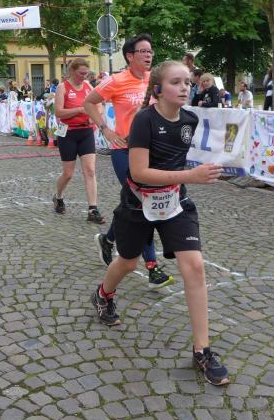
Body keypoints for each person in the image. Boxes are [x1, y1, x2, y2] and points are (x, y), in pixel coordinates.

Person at [88, 60, 229, 386]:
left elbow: (175, 162)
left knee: (194, 266)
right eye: (176, 82)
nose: (184, 87)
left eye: (187, 82)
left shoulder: (190, 120)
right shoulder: (144, 121)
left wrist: (187, 179)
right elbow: (139, 172)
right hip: (138, 203)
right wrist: (189, 176)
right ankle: (103, 294)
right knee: (127, 261)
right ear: (158, 89)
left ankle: (202, 350)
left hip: (175, 202)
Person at [84, 33, 174, 287]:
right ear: (130, 56)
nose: (149, 55)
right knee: (143, 202)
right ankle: (152, 267)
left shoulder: (155, 80)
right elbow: (89, 102)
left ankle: (108, 239)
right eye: (143, 51)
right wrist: (106, 129)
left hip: (151, 151)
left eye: (150, 51)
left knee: (133, 203)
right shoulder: (116, 80)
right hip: (124, 150)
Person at [52, 58, 105, 224]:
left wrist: (95, 116)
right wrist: (80, 110)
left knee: (90, 170)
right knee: (68, 174)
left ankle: (93, 209)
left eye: (86, 73)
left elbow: (100, 106)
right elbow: (59, 112)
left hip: (86, 132)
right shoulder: (63, 87)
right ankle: (58, 196)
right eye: (81, 73)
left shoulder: (88, 86)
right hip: (67, 133)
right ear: (72, 71)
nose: (84, 76)